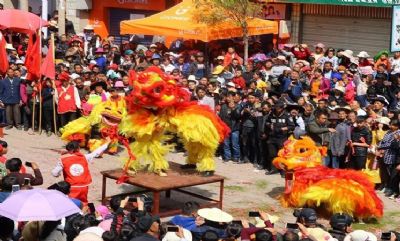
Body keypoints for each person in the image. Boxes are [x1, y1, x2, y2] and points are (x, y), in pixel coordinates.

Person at [51, 139, 110, 204]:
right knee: (83, 203)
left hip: (71, 187)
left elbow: (54, 173)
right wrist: (106, 144)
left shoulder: (63, 159)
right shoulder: (84, 157)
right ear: (78, 149)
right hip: (84, 186)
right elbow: (96, 153)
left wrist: (58, 174)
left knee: (71, 204)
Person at [264, 101, 295, 175]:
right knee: (272, 154)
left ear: (282, 108)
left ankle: (283, 171)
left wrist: (284, 128)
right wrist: (269, 125)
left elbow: (292, 126)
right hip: (272, 137)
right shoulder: (271, 114)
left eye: (278, 107)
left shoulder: (287, 115)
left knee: (282, 155)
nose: (277, 109)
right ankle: (273, 169)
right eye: (276, 107)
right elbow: (267, 122)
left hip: (282, 138)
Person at [219, 92, 241, 163]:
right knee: (226, 144)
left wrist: (233, 109)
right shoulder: (223, 106)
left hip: (234, 128)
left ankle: (236, 157)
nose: (228, 98)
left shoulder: (238, 106)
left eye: (229, 97)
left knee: (235, 144)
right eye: (227, 97)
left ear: (234, 97)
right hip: (225, 128)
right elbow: (221, 117)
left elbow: (238, 116)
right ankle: (227, 157)